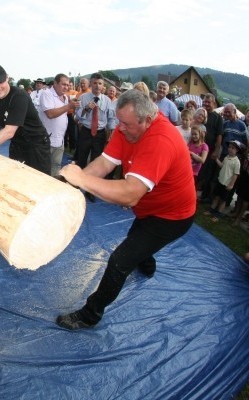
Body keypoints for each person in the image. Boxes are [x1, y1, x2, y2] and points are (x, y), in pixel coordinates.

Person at [56, 89, 196, 330]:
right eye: (119, 121)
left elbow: (130, 194)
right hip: (149, 209)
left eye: (126, 124)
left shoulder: (161, 139)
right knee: (138, 239)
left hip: (172, 217)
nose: (120, 128)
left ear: (148, 120)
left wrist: (82, 180)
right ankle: (147, 263)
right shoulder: (129, 128)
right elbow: (104, 163)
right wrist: (71, 184)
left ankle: (90, 314)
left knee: (120, 260)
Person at [75, 72, 117, 201]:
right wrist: (86, 109)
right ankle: (76, 187)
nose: (97, 86)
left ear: (103, 86)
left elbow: (110, 119)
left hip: (99, 134)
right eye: (94, 83)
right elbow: (78, 116)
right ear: (90, 84)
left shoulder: (107, 100)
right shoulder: (83, 98)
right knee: (81, 159)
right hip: (86, 131)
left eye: (100, 84)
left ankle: (90, 190)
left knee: (95, 162)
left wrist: (110, 133)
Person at [38, 73, 80, 177]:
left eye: (67, 85)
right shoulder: (46, 94)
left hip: (59, 140)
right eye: (63, 84)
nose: (66, 87)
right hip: (47, 140)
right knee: (43, 169)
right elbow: (50, 114)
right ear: (55, 83)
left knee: (56, 167)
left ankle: (53, 189)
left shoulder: (65, 97)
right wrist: (68, 106)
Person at [205, 140, 242, 221]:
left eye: (233, 148)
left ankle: (217, 215)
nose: (230, 149)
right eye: (229, 147)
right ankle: (211, 210)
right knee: (216, 197)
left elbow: (236, 174)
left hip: (227, 184)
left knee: (223, 200)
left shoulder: (237, 162)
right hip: (220, 181)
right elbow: (222, 165)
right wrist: (216, 159)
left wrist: (231, 184)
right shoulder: (226, 157)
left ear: (237, 150)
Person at [198, 93, 224, 201]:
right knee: (197, 171)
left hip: (210, 149)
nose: (206, 104)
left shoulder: (218, 118)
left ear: (214, 103)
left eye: (208, 102)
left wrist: (216, 150)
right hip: (197, 147)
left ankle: (203, 195)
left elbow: (219, 135)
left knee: (206, 173)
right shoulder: (201, 113)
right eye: (204, 101)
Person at [188, 125, 209, 195]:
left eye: (195, 134)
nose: (193, 136)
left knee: (192, 190)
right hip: (187, 170)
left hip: (195, 173)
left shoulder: (204, 146)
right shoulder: (190, 144)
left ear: (200, 134)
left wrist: (192, 154)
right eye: (192, 134)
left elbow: (203, 160)